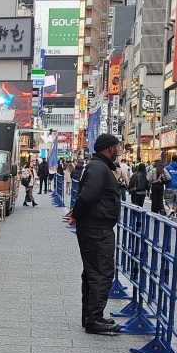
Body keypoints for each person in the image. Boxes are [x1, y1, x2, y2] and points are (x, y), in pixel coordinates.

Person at [63, 133, 122, 335]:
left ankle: (91, 316)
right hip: (96, 229)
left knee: (93, 273)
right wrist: (76, 215)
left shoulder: (99, 167)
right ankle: (94, 318)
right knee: (101, 273)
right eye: (118, 147)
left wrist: (76, 215)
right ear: (110, 149)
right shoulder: (98, 168)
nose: (119, 151)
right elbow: (87, 195)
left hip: (95, 227)